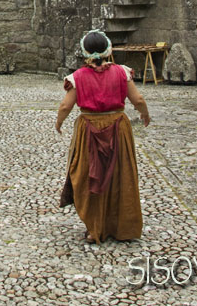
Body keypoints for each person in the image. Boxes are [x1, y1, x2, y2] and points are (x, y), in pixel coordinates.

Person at [56, 30, 150, 243]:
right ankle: (122, 228)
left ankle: (94, 228)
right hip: (118, 126)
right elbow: (139, 99)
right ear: (108, 50)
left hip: (89, 127)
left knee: (89, 176)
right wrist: (144, 113)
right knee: (120, 174)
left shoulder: (77, 77)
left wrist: (59, 122)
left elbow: (65, 105)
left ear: (85, 51)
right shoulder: (122, 72)